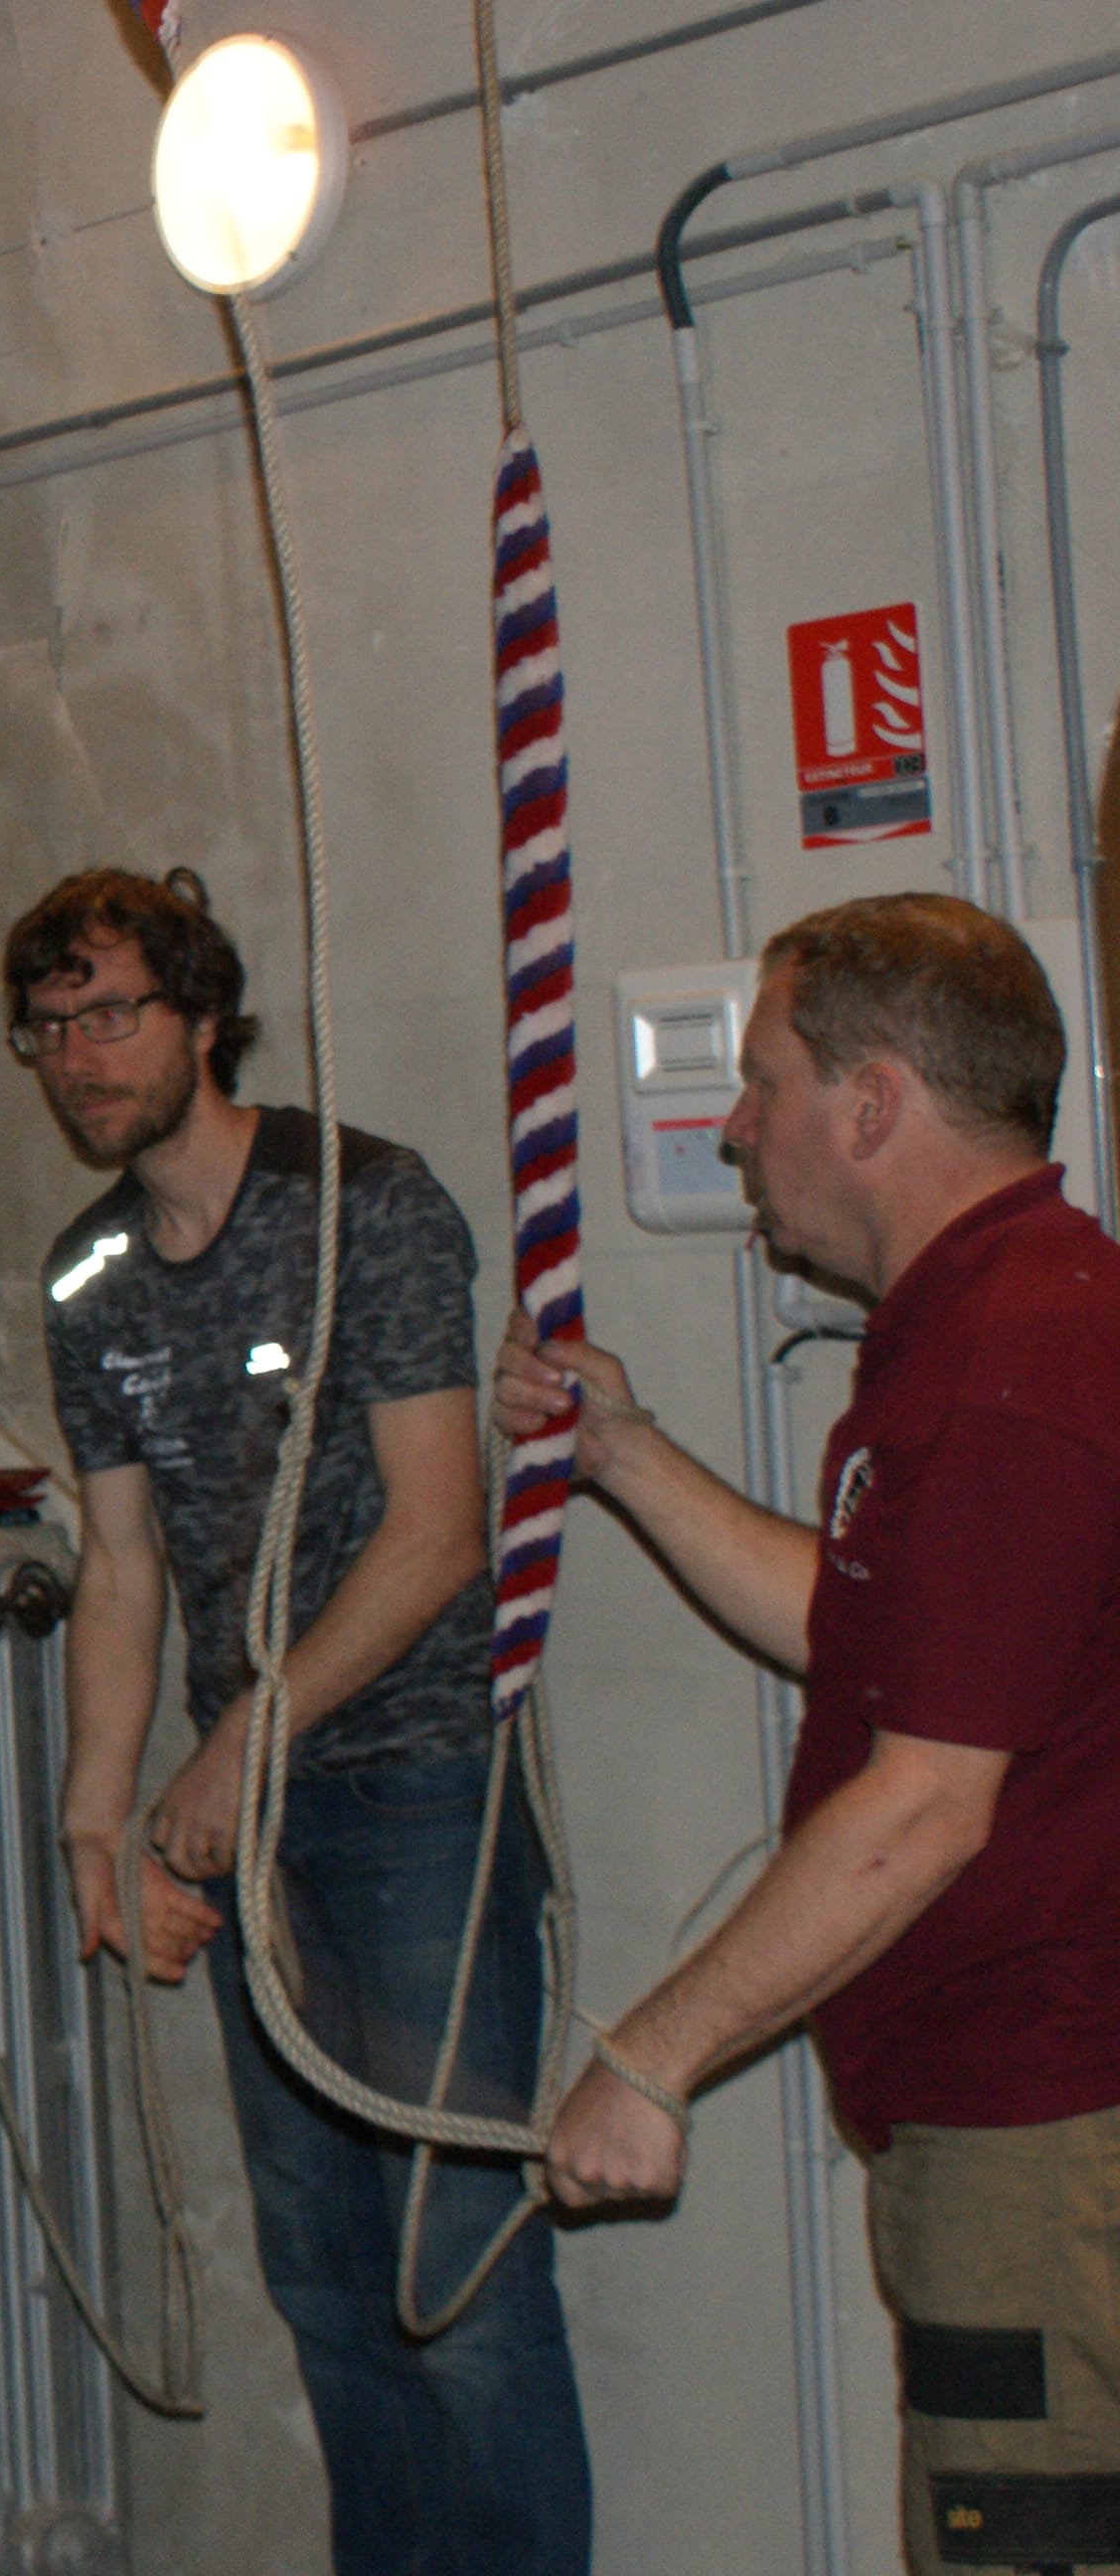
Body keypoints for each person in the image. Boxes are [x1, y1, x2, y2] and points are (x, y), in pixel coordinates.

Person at [502, 893, 1120, 2576]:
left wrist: (651, 2055)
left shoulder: (1021, 1361)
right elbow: (871, 1638)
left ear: (873, 1104)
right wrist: (623, 1457)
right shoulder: (989, 1328)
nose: (734, 1124)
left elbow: (924, 1804)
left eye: (764, 1080)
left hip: (1047, 2137)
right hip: (1015, 2130)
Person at [5, 869, 590, 2575]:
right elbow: (118, 1569)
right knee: (327, 2287)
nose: (80, 1056)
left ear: (202, 1014)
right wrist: (93, 1823)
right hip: (243, 1821)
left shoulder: (367, 1208)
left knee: (458, 2282)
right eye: (50, 1028)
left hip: (411, 1790)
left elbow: (434, 1533)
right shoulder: (89, 1277)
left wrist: (238, 1746)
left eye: (113, 1011)